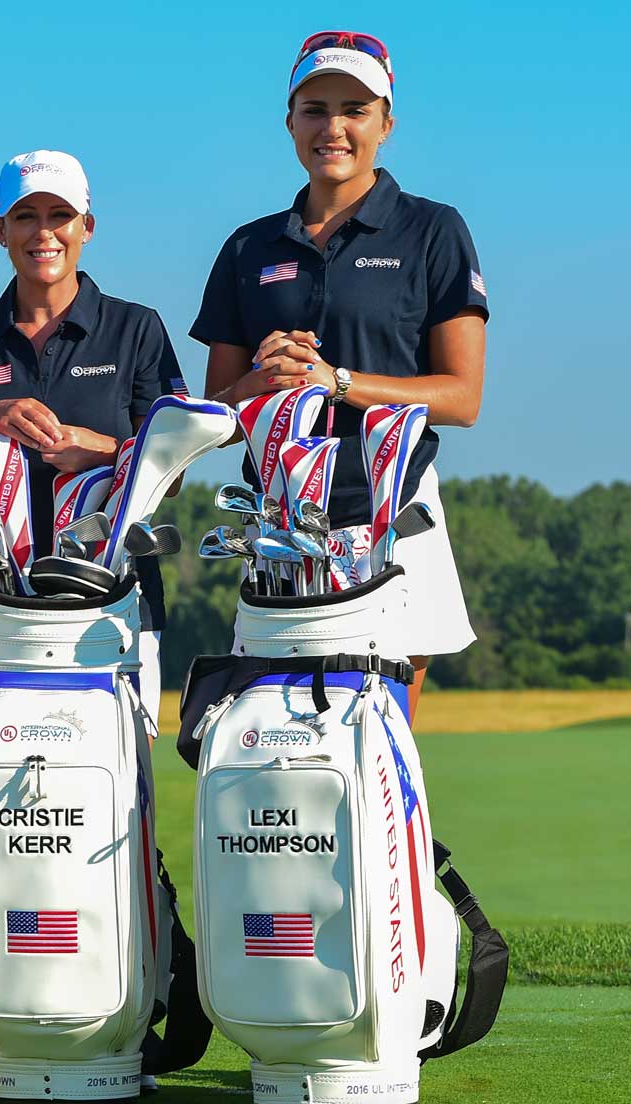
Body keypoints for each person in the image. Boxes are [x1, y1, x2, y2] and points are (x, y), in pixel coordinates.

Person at [192, 31, 488, 724]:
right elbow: (213, 410)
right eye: (315, 108)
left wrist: (338, 381)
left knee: (382, 744)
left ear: (387, 123)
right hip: (278, 525)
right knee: (280, 735)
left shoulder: (433, 231)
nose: (334, 127)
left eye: (355, 108)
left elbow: (462, 397)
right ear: (289, 121)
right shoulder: (248, 246)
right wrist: (261, 381)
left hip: (394, 511)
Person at [0, 150, 186, 717]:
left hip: (112, 589)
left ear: (86, 226)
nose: (44, 233)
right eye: (25, 216)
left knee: (118, 775)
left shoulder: (136, 328)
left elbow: (175, 473)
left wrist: (107, 451)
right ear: (0, 231)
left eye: (59, 215)